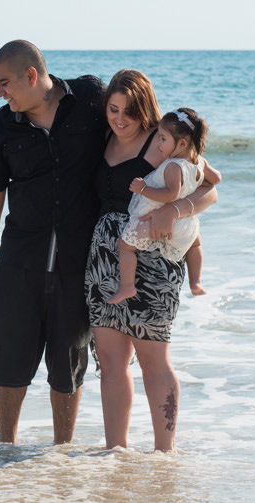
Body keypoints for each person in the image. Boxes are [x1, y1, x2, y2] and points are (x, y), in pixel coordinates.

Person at [0, 40, 107, 445]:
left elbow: (139, 128)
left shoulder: (90, 99)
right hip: (19, 262)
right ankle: (5, 448)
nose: (0, 93)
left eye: (4, 83)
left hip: (79, 262)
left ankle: (60, 453)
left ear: (31, 76)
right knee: (8, 360)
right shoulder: (1, 126)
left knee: (69, 364)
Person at [84, 71, 218, 452]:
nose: (120, 119)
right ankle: (116, 452)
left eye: (129, 111)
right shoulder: (104, 137)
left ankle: (165, 452)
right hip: (104, 259)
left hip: (153, 258)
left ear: (146, 111)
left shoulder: (162, 142)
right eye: (113, 109)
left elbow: (209, 188)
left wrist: (175, 209)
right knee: (110, 362)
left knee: (152, 358)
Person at [108, 107, 219, 304]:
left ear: (182, 143)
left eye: (163, 138)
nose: (158, 142)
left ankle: (126, 286)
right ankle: (196, 282)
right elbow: (216, 179)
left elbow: (170, 195)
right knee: (196, 244)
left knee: (125, 246)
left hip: (154, 218)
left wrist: (142, 189)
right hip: (186, 221)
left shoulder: (172, 166)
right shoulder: (200, 162)